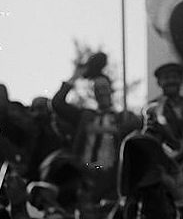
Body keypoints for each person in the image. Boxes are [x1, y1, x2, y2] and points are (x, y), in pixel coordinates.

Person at [51, 64, 140, 199]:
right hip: (86, 169)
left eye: (104, 88)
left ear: (111, 90)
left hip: (110, 175)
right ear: (93, 93)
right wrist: (75, 76)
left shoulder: (123, 117)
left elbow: (136, 128)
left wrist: (116, 129)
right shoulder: (85, 116)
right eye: (97, 89)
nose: (101, 92)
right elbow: (57, 103)